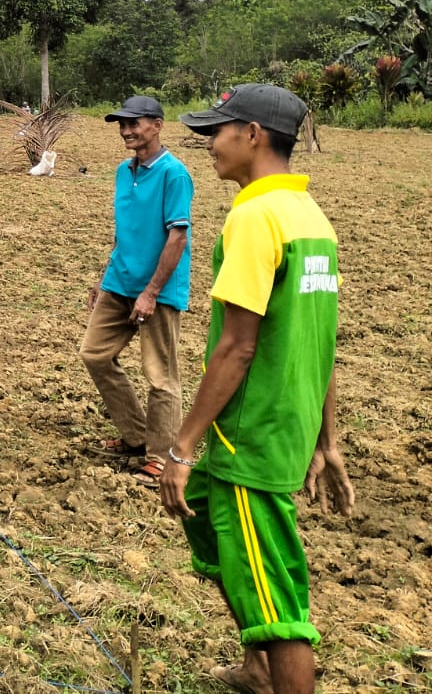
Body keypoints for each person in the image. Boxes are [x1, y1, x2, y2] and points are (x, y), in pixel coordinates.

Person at [161, 85, 353, 694]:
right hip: (280, 425)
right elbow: (317, 343)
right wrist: (330, 441)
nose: (209, 145)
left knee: (276, 598)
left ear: (252, 135)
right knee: (218, 543)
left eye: (215, 133)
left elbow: (237, 347)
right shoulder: (311, 218)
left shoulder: (254, 217)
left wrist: (180, 448)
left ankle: (279, 673)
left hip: (250, 435)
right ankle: (255, 669)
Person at [80, 94, 194, 487]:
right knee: (94, 354)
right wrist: (103, 277)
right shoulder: (122, 171)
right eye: (122, 124)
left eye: (135, 123)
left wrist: (152, 291)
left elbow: (177, 236)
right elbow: (123, 231)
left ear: (157, 125)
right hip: (119, 282)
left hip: (157, 291)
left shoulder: (174, 174)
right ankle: (136, 437)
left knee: (160, 375)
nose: (127, 130)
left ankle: (162, 458)